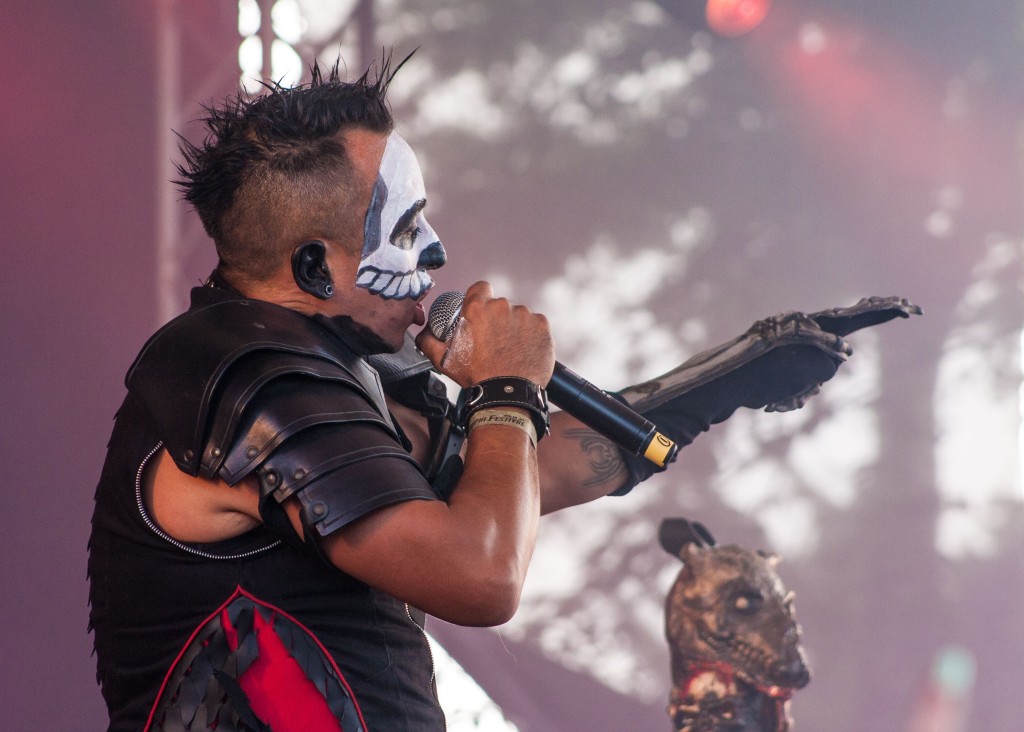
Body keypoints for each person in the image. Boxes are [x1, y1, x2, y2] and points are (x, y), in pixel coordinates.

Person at [88, 58, 917, 732]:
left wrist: (735, 372)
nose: (436, 252)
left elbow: (524, 477)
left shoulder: (339, 373)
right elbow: (481, 575)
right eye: (406, 229)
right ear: (315, 266)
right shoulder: (241, 375)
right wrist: (509, 385)